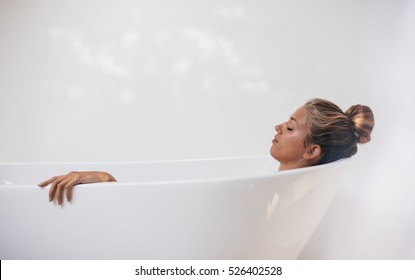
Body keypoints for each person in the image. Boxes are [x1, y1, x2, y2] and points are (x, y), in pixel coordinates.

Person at [38, 98, 374, 204]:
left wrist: (104, 179)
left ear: (312, 150)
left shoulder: (267, 195)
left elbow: (160, 220)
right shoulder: (270, 188)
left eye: (289, 128)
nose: (277, 128)